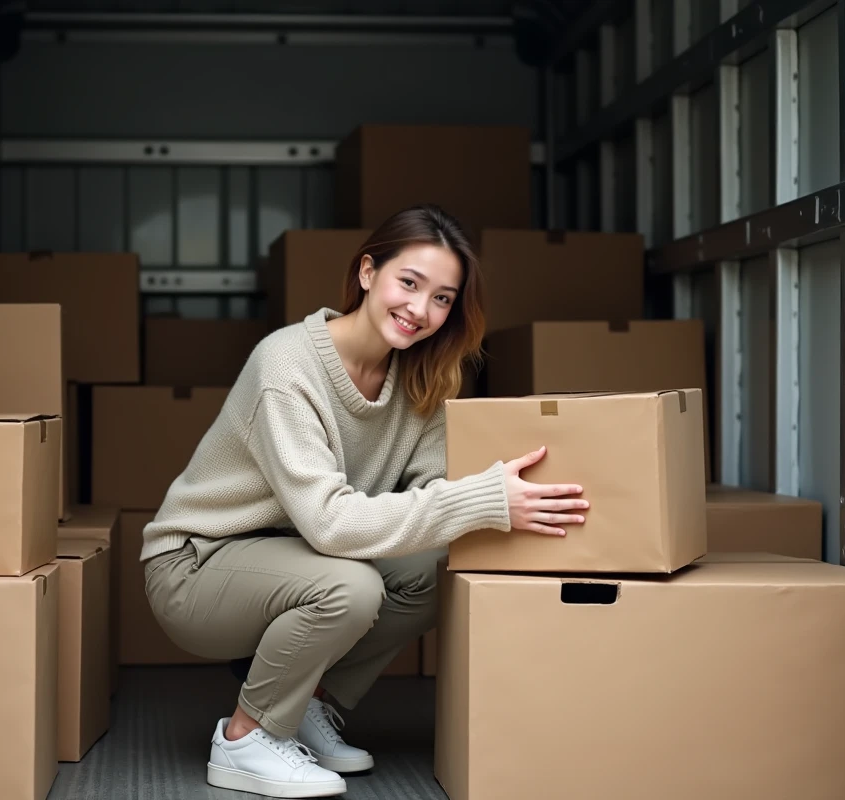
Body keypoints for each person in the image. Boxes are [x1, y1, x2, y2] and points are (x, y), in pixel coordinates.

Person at [140, 204, 588, 799]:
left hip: (295, 553)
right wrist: (484, 498)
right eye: (409, 283)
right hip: (197, 567)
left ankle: (302, 705)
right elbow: (330, 525)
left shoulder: (420, 379)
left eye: (443, 299)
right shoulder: (287, 365)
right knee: (350, 588)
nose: (421, 310)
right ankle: (245, 740)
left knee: (436, 567)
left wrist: (489, 504)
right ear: (367, 273)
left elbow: (431, 498)